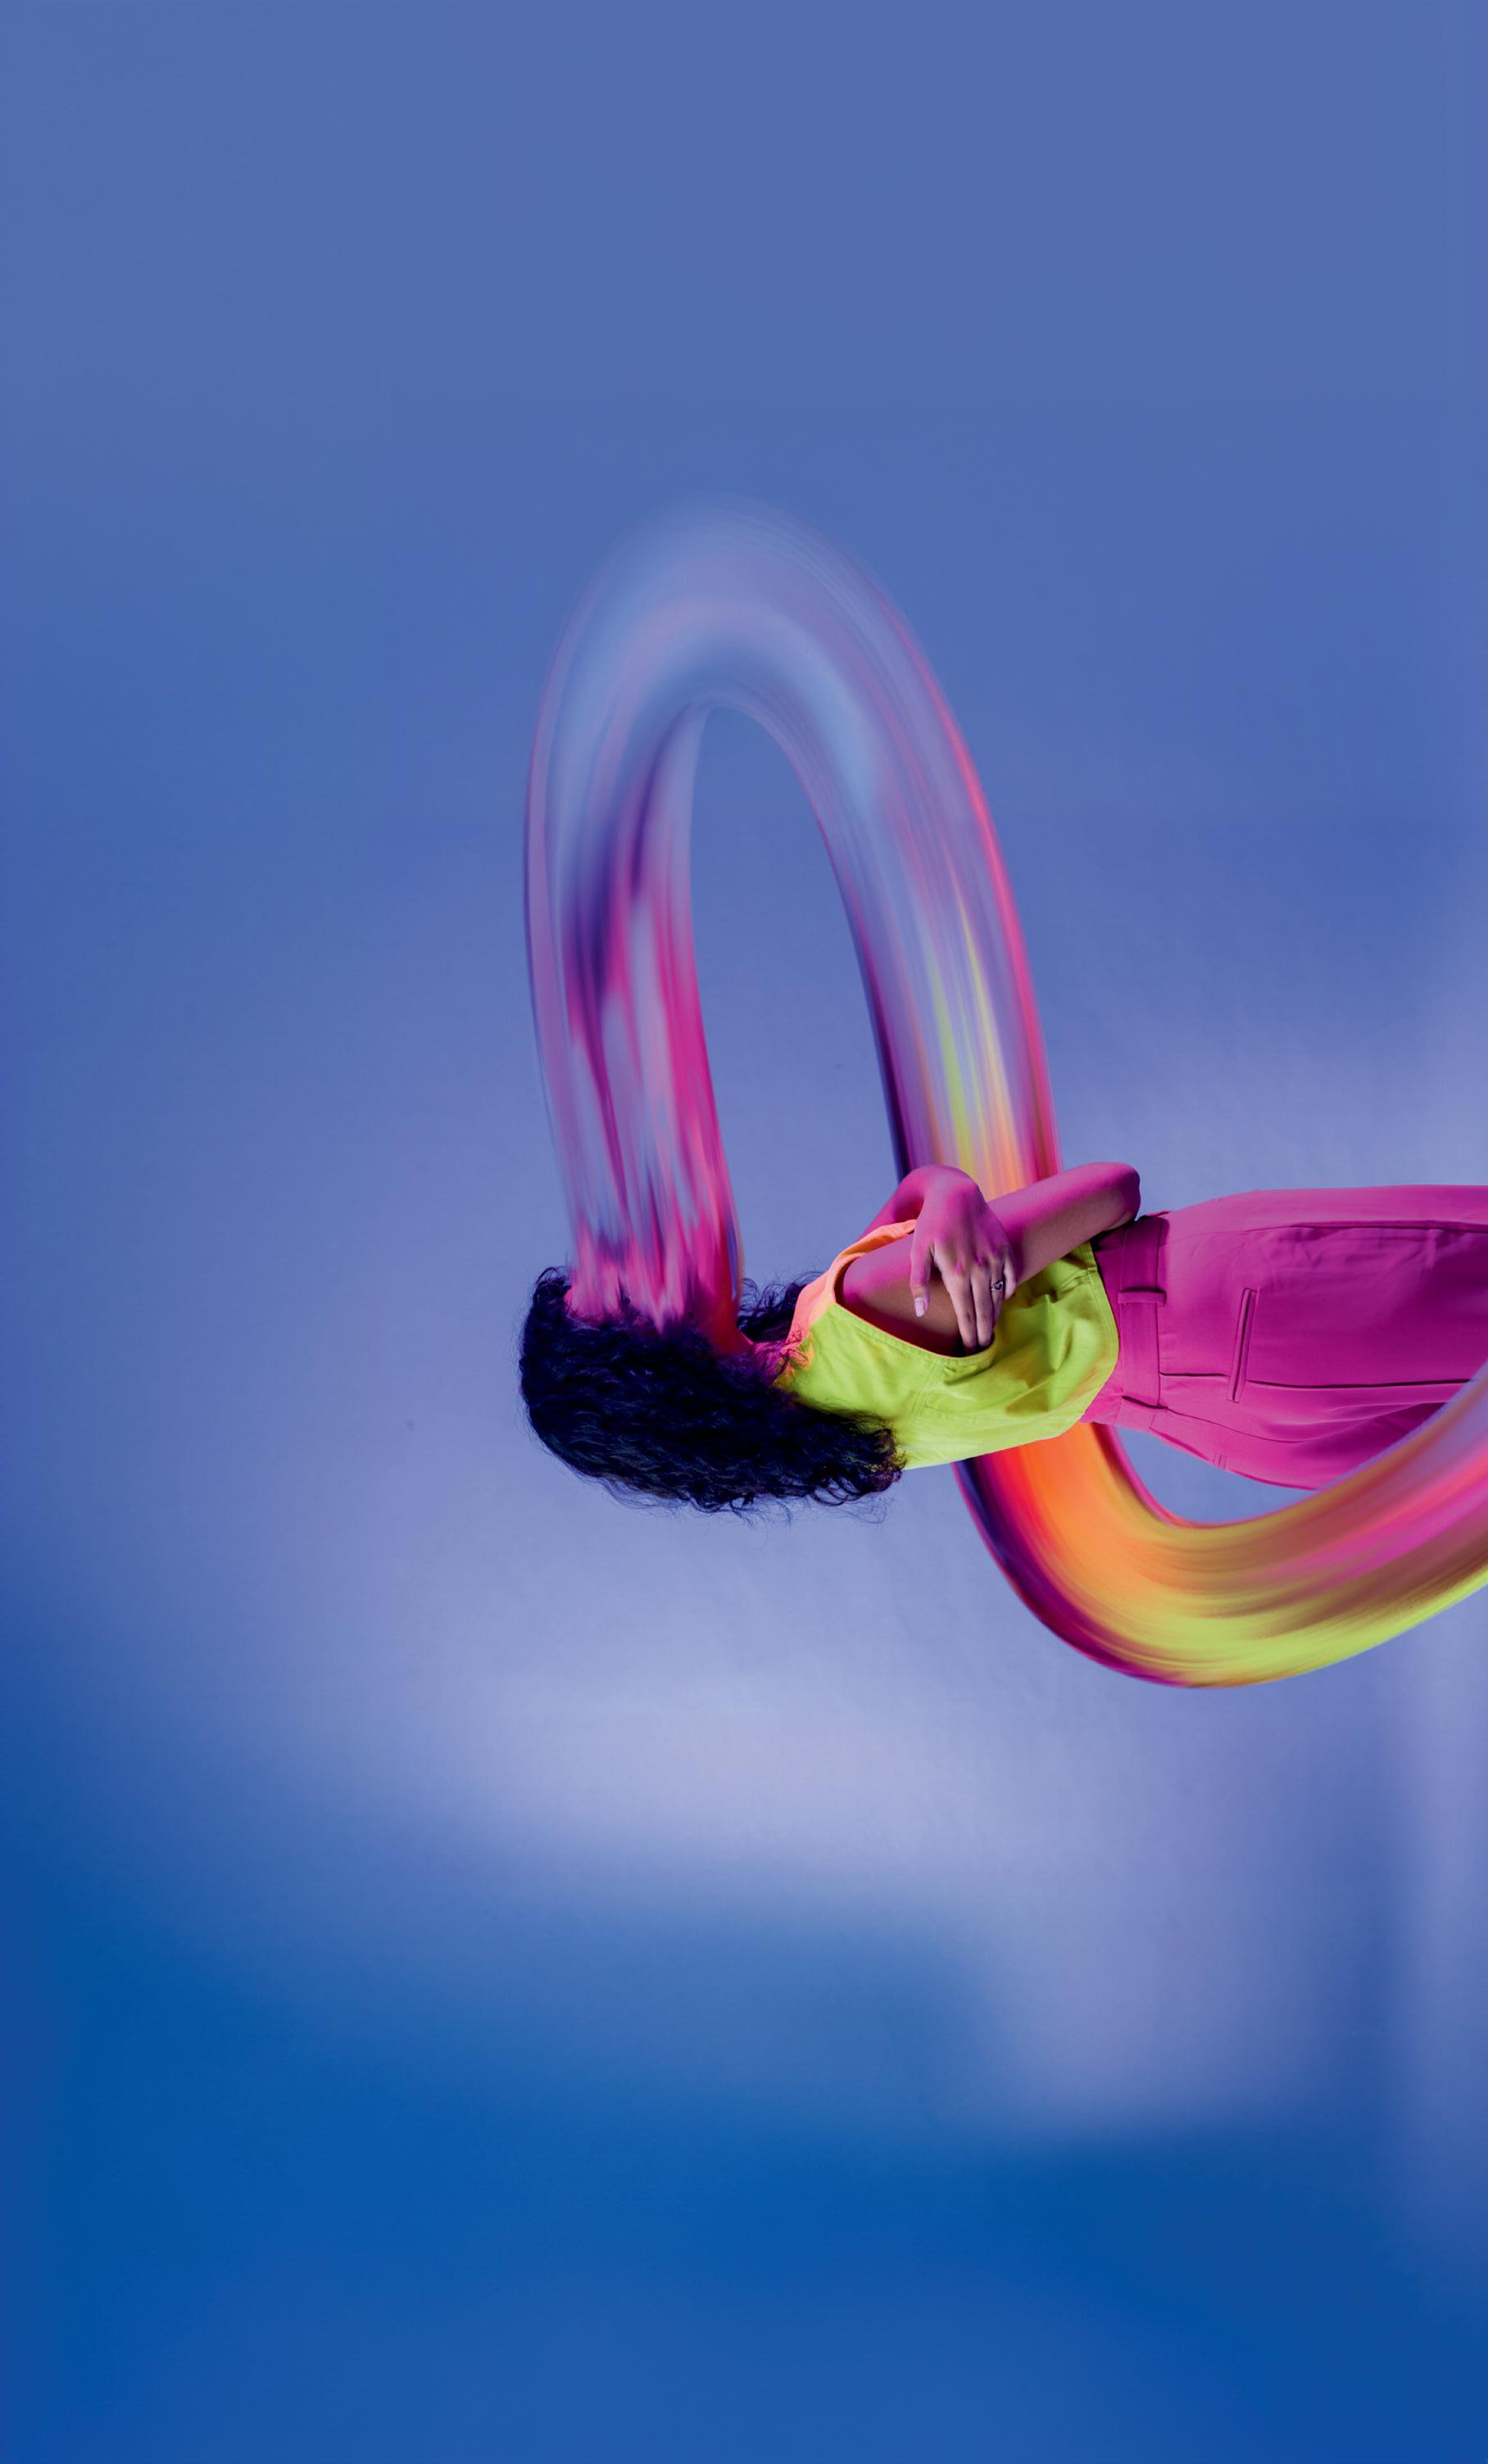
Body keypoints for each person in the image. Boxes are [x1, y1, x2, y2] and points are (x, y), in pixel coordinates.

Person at [519, 1162, 1488, 1513]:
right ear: (646, 1362)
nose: (642, 1264)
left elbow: (913, 1216)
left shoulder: (823, 1414)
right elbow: (1110, 1188)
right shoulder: (857, 1307)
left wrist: (947, 1193)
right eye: (620, 1294)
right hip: (1228, 1304)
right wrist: (959, 1202)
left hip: (1215, 1416)